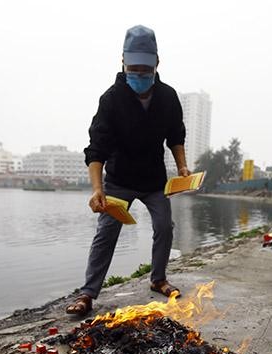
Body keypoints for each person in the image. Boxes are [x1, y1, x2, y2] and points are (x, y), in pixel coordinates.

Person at [66, 25, 189, 316]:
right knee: (106, 233)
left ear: (157, 64)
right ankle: (88, 293)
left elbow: (176, 136)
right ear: (122, 61)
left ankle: (158, 279)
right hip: (119, 180)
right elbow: (96, 149)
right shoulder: (111, 100)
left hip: (154, 181)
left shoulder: (168, 97)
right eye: (133, 68)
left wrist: (182, 166)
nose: (139, 75)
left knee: (164, 226)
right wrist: (98, 189)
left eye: (145, 69)